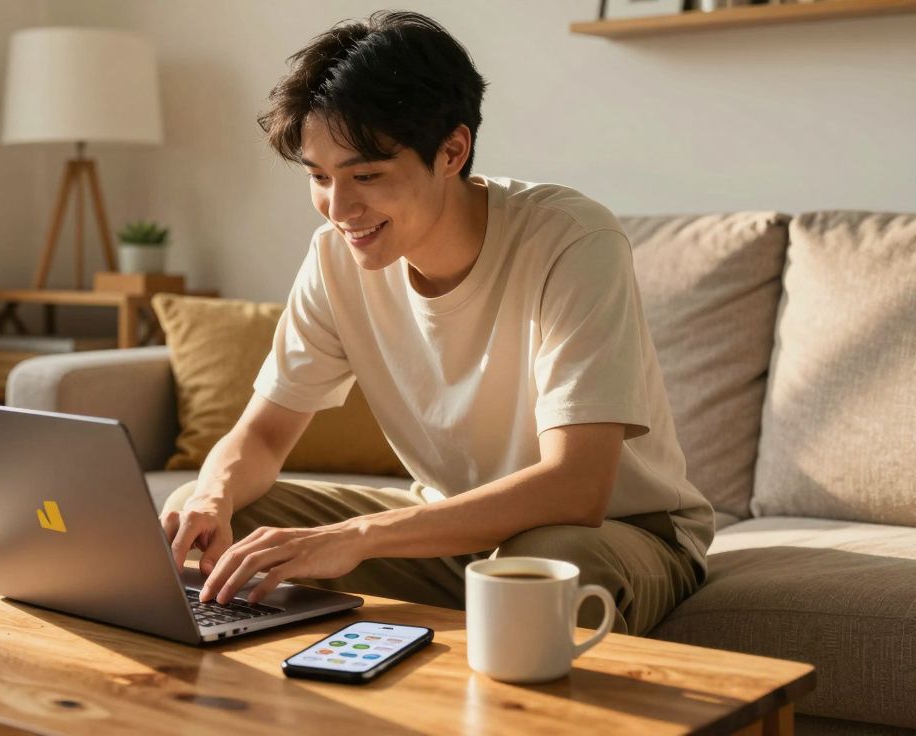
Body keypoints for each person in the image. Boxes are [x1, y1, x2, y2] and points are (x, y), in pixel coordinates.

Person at [159, 10, 713, 635]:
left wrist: (359, 536)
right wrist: (212, 495)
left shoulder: (573, 240)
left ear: (452, 151)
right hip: (449, 531)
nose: (340, 209)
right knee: (205, 517)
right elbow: (262, 437)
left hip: (615, 531)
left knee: (543, 569)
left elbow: (577, 486)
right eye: (319, 177)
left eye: (366, 175)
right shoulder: (334, 258)